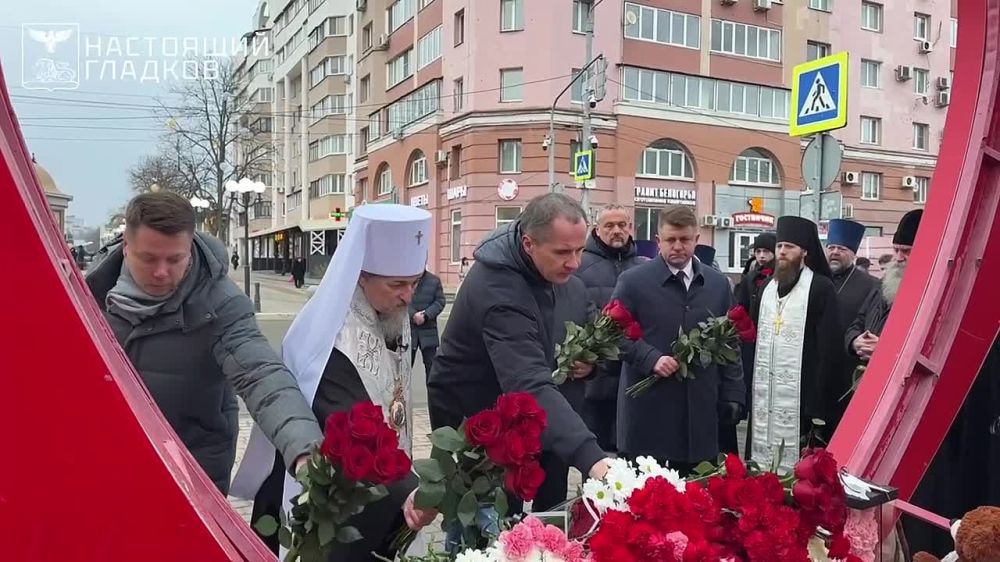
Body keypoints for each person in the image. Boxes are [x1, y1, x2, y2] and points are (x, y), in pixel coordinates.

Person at [232, 204, 437, 560]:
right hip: (334, 499)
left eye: (415, 283)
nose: (408, 295)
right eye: (398, 284)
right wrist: (410, 489)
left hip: (379, 488)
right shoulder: (332, 339)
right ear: (360, 275)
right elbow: (351, 422)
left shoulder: (388, 307)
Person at [85, 191, 322, 495]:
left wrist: (304, 449)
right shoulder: (89, 294)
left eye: (175, 259)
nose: (161, 271)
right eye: (148, 258)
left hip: (191, 470)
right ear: (126, 247)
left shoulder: (220, 303)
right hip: (108, 464)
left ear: (191, 248)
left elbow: (261, 375)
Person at [427, 193, 614, 501]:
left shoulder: (557, 274)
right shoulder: (497, 286)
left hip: (538, 415)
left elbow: (583, 329)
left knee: (546, 523)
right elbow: (526, 378)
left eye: (581, 250)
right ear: (529, 244)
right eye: (563, 252)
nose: (575, 263)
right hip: (479, 419)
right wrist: (592, 458)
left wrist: (591, 364)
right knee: (487, 531)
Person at [612, 206, 744, 474]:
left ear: (696, 239)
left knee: (697, 500)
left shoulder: (717, 285)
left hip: (700, 414)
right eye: (671, 240)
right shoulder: (633, 282)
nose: (678, 247)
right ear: (659, 241)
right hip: (649, 413)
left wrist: (733, 394)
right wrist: (650, 358)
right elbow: (613, 334)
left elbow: (730, 342)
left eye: (684, 240)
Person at [749, 216, 842, 469]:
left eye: (789, 247)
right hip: (764, 397)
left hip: (803, 399)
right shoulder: (767, 287)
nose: (781, 252)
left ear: (804, 251)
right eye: (779, 246)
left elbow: (829, 349)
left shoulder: (821, 288)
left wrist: (817, 406)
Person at [573, 204, 647, 454]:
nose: (617, 231)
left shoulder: (645, 266)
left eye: (622, 225)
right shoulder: (579, 265)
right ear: (597, 229)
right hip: (595, 384)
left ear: (630, 228)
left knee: (633, 459)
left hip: (636, 380)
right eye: (609, 225)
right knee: (596, 460)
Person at [846, 210, 923, 361]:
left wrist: (884, 348)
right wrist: (855, 341)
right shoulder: (882, 283)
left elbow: (922, 343)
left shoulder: (929, 291)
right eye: (896, 250)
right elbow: (858, 322)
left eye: (906, 251)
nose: (899, 258)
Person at [825, 219, 879, 422]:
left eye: (842, 248)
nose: (835, 252)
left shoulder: (871, 285)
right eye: (831, 247)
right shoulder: (815, 280)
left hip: (849, 368)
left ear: (853, 253)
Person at [734, 232, 775, 457]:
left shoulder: (780, 276)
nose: (761, 256)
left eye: (766, 251)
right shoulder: (750, 278)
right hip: (750, 341)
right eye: (758, 252)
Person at [410, 269, 446, 375]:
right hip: (410, 331)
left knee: (432, 369)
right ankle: (402, 392)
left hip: (429, 330)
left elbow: (440, 301)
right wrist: (413, 315)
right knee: (404, 369)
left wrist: (426, 315)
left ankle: (433, 392)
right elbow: (400, 300)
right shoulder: (406, 278)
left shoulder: (434, 280)